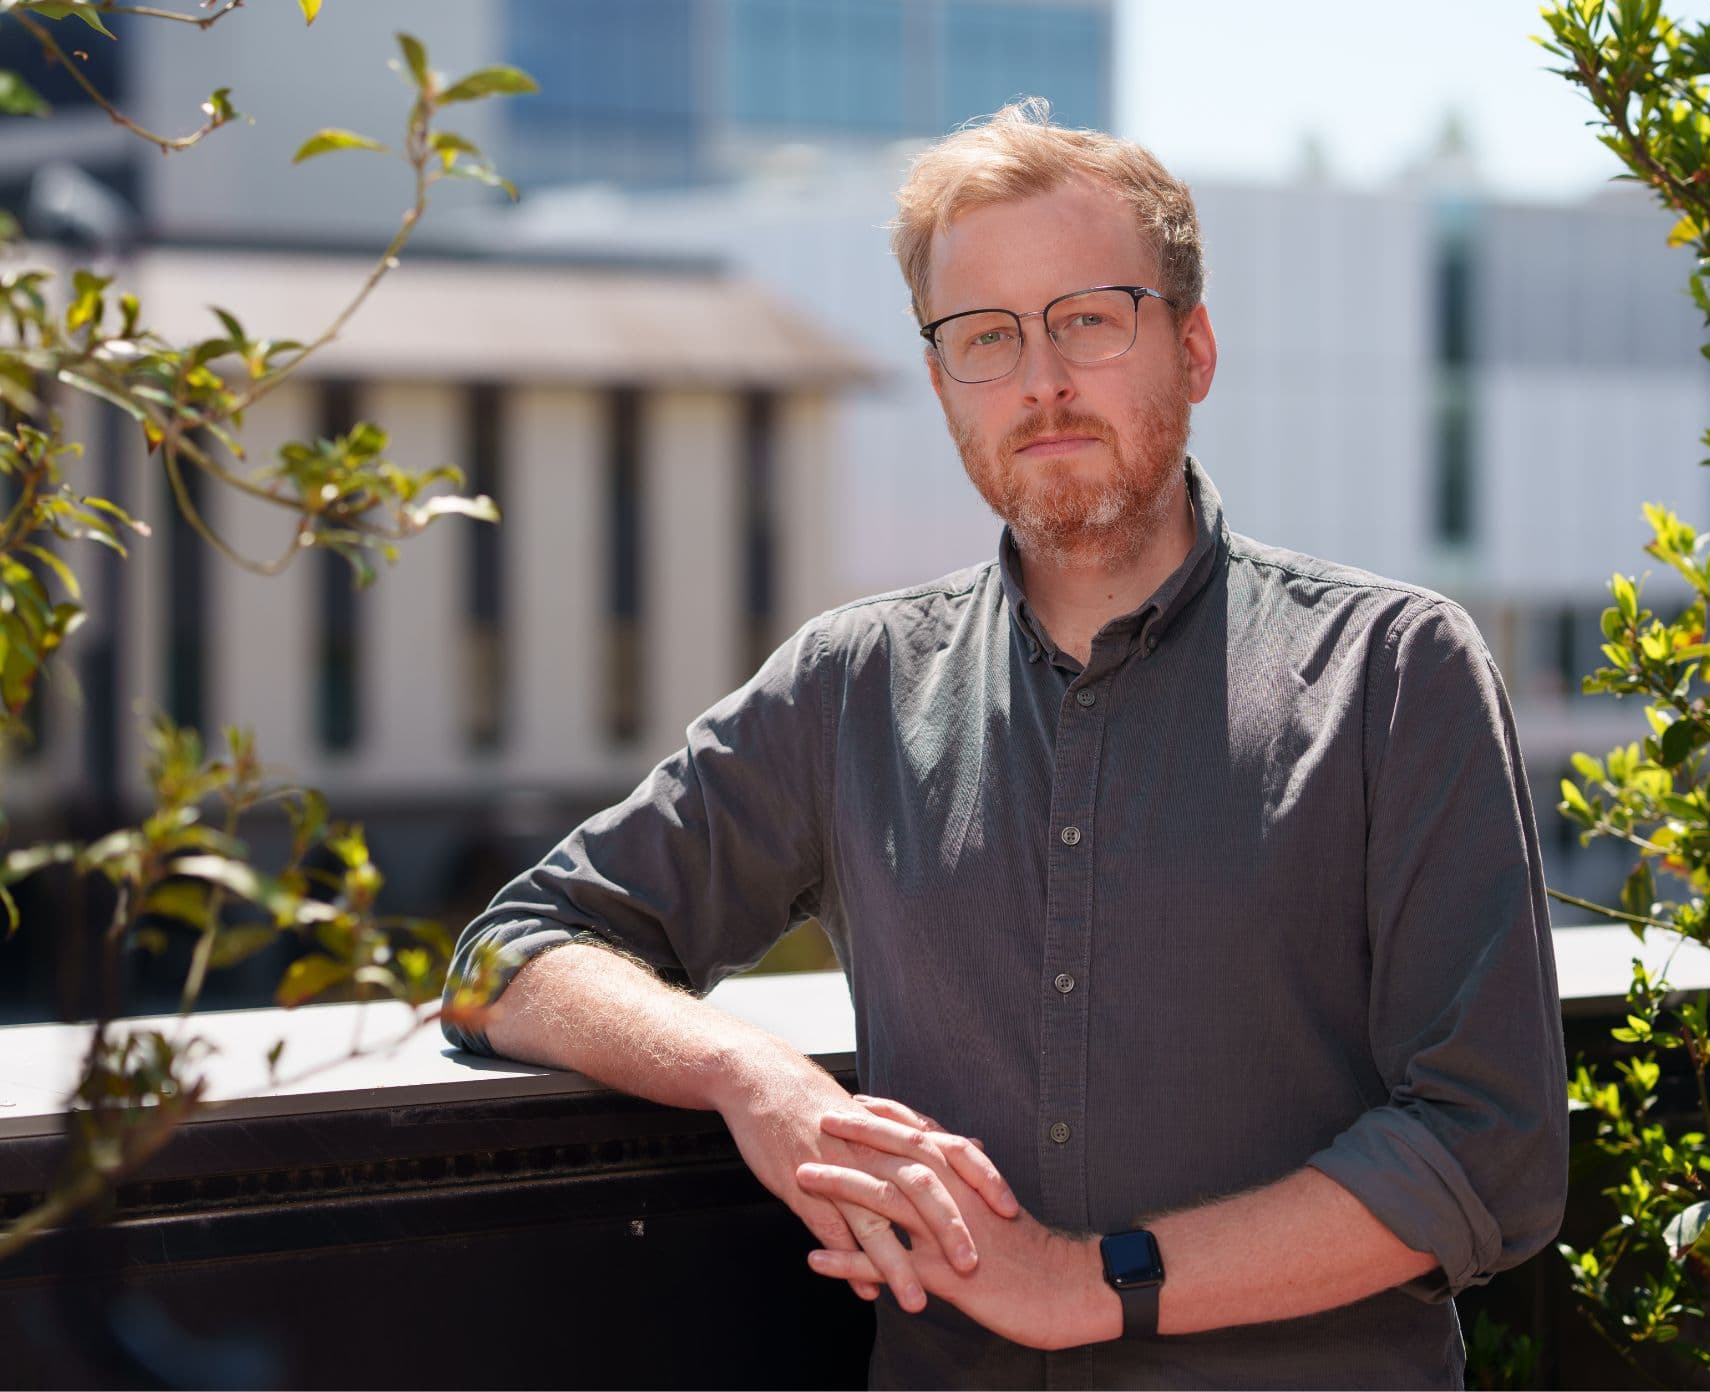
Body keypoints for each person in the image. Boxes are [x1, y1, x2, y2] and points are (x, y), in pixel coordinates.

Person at [442, 100, 1567, 1389]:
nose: (1040, 381)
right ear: (942, 384)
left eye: (1090, 318)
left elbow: (1486, 1149)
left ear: (1192, 348)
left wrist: (1091, 1283)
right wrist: (748, 1072)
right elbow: (504, 960)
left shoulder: (1395, 673)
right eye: (984, 339)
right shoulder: (852, 686)